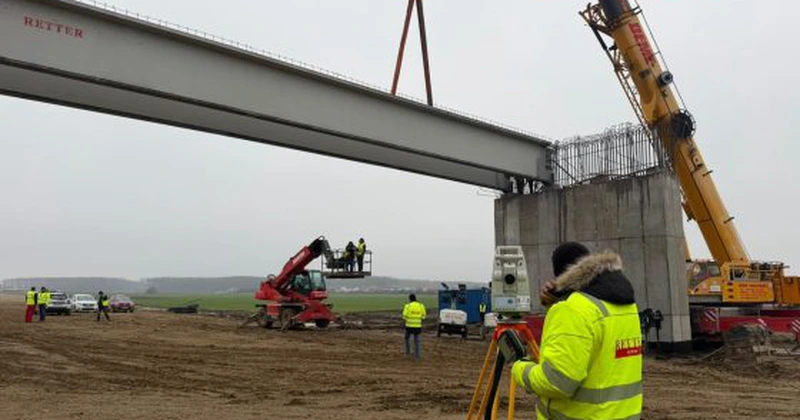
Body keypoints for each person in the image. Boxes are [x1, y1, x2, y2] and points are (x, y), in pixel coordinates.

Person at [511, 242, 642, 420]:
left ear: (560, 275)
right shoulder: (625, 305)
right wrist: (560, 301)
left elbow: (556, 382)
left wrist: (519, 368)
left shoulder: (573, 310)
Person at [402, 294, 426, 360]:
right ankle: (417, 356)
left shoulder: (407, 306)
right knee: (417, 341)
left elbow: (404, 316)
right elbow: (424, 316)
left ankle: (408, 352)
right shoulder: (421, 306)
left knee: (407, 338)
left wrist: (409, 319)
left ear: (410, 299)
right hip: (418, 326)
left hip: (409, 326)